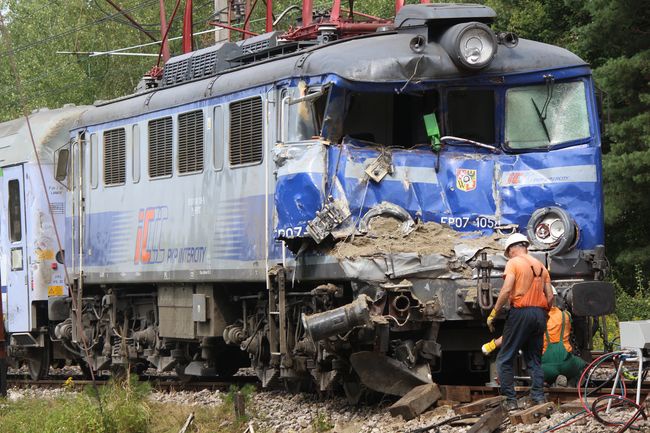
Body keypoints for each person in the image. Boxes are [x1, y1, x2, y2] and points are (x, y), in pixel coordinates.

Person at [486, 233, 553, 411]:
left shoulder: (514, 263)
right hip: (539, 314)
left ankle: (511, 401)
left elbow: (506, 290)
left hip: (521, 313)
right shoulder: (541, 266)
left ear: (512, 248)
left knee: (504, 358)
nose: (508, 255)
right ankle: (538, 397)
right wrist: (543, 312)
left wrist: (494, 313)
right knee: (534, 359)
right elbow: (550, 296)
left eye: (507, 252)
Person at [482, 301, 587, 387]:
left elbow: (511, 336)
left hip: (546, 367)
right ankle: (571, 384)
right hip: (567, 363)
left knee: (536, 370)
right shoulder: (565, 315)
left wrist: (492, 345)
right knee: (581, 365)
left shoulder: (534, 318)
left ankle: (546, 383)